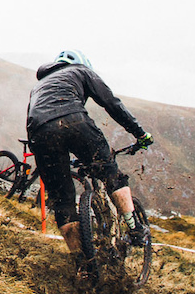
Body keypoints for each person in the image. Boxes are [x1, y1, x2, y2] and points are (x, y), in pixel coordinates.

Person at [25, 50, 156, 269]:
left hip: (39, 134)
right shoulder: (81, 71)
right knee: (110, 173)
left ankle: (83, 266)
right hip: (74, 120)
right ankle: (134, 228)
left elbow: (36, 119)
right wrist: (140, 133)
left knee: (63, 201)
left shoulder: (38, 87)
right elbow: (111, 104)